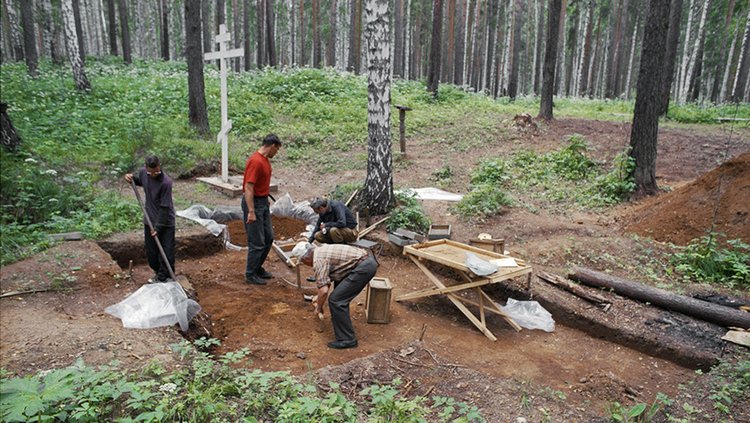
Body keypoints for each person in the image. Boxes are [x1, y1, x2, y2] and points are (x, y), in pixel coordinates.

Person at [290, 241, 378, 349]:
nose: (306, 264)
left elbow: (324, 291)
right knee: (338, 292)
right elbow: (329, 278)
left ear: (306, 258)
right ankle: (341, 322)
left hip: (363, 268)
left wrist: (319, 307)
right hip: (363, 262)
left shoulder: (318, 261)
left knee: (336, 300)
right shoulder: (321, 249)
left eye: (303, 262)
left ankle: (347, 339)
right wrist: (319, 297)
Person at [124, 155, 176, 283]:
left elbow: (164, 208)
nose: (153, 175)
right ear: (146, 168)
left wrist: (157, 228)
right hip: (149, 220)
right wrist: (131, 179)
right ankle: (158, 273)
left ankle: (165, 277)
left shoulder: (166, 183)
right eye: (150, 172)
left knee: (166, 253)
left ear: (159, 166)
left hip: (165, 222)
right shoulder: (143, 173)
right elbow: (141, 182)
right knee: (152, 253)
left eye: (156, 171)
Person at [242, 134, 282, 285]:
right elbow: (248, 187)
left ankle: (257, 267)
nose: (276, 153)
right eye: (276, 150)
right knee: (257, 242)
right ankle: (250, 273)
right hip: (254, 204)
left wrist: (265, 202)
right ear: (272, 146)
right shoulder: (256, 161)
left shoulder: (265, 161)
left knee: (268, 238)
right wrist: (251, 211)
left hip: (262, 202)